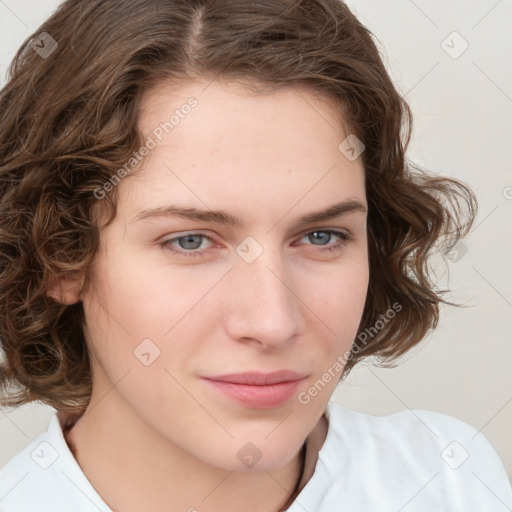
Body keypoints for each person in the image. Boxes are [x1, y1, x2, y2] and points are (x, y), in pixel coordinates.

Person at [0, 0, 510, 511]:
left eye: (320, 236)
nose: (273, 322)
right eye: (191, 241)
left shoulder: (449, 479)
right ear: (58, 257)